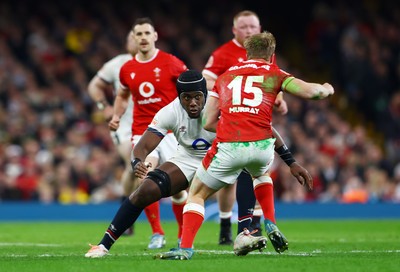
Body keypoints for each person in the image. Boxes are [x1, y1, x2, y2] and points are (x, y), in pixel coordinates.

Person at [84, 70, 311, 258]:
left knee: (247, 164)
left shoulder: (224, 104)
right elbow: (143, 146)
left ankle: (246, 232)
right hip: (188, 158)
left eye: (197, 97)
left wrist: (291, 162)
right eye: (187, 98)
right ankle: (103, 245)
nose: (193, 103)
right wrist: (136, 161)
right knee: (145, 191)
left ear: (205, 94)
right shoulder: (169, 111)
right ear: (179, 97)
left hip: (223, 156)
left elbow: (266, 130)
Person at [157, 31, 334, 260]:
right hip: (262, 146)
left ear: (246, 53)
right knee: (261, 174)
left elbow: (208, 121)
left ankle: (186, 249)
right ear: (271, 55)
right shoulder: (275, 74)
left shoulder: (224, 77)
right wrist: (328, 88)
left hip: (231, 144)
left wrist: (233, 124)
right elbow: (313, 92)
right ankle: (269, 222)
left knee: (197, 193)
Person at [202, 10, 288, 248]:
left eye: (253, 26)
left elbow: (274, 80)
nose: (249, 31)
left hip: (257, 120)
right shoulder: (222, 54)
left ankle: (254, 224)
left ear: (260, 28)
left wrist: (279, 98)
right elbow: (206, 79)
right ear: (234, 30)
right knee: (230, 179)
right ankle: (225, 225)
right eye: (244, 27)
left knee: (257, 171)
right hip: (231, 123)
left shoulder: (266, 53)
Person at [109, 17, 187, 249]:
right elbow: (122, 96)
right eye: (138, 34)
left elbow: (189, 88)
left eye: (146, 33)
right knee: (145, 177)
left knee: (178, 190)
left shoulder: (171, 62)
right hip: (143, 131)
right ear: (134, 38)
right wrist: (115, 115)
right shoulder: (127, 69)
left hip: (172, 132)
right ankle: (157, 233)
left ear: (155, 36)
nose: (142, 37)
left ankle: (182, 234)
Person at [87, 31, 138, 235]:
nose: (135, 40)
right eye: (132, 37)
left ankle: (128, 211)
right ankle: (127, 211)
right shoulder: (117, 63)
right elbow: (94, 85)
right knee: (134, 162)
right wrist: (104, 106)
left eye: (141, 35)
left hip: (152, 124)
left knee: (142, 169)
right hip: (124, 125)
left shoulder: (160, 62)